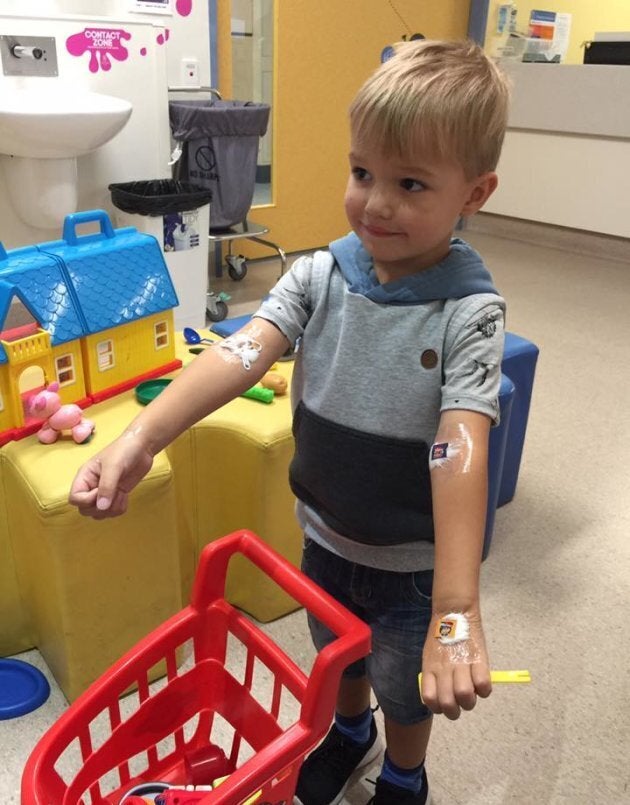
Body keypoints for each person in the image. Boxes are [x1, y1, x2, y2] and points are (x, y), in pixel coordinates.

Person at [69, 39, 510, 805]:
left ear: (475, 194)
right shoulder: (319, 272)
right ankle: (348, 732)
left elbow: (459, 441)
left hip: (412, 563)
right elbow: (240, 353)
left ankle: (405, 773)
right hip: (324, 530)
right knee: (336, 657)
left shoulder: (471, 312)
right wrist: (142, 436)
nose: (375, 202)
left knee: (405, 688)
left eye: (410, 183)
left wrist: (456, 605)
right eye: (362, 172)